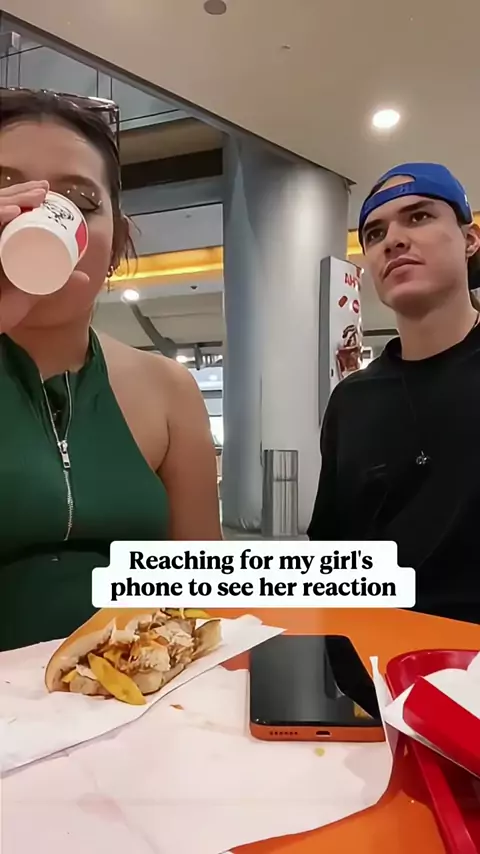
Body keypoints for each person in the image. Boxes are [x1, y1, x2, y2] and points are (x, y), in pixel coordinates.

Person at [0, 89, 222, 652]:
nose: (38, 217)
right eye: (7, 191)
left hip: (134, 694)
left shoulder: (168, 390)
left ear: (117, 243)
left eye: (77, 201)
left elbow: (203, 597)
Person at [308, 162, 480, 624]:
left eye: (419, 217)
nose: (394, 240)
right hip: (375, 659)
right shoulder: (353, 402)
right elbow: (331, 553)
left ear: (469, 239)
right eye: (375, 233)